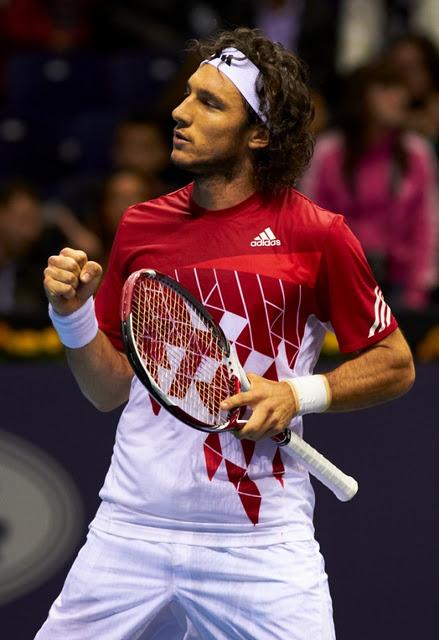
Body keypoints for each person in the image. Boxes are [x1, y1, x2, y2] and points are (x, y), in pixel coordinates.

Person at [37, 27, 415, 640]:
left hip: (260, 544)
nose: (180, 114)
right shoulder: (141, 226)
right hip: (130, 530)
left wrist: (296, 395)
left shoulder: (318, 234)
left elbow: (395, 363)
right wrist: (72, 315)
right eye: (187, 95)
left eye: (210, 103)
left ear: (258, 134)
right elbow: (107, 390)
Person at [301, 59, 439, 311]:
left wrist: (418, 291)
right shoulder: (328, 153)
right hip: (340, 282)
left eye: (402, 89)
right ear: (361, 95)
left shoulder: (417, 153)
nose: (399, 97)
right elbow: (310, 224)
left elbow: (426, 226)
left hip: (400, 284)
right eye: (387, 87)